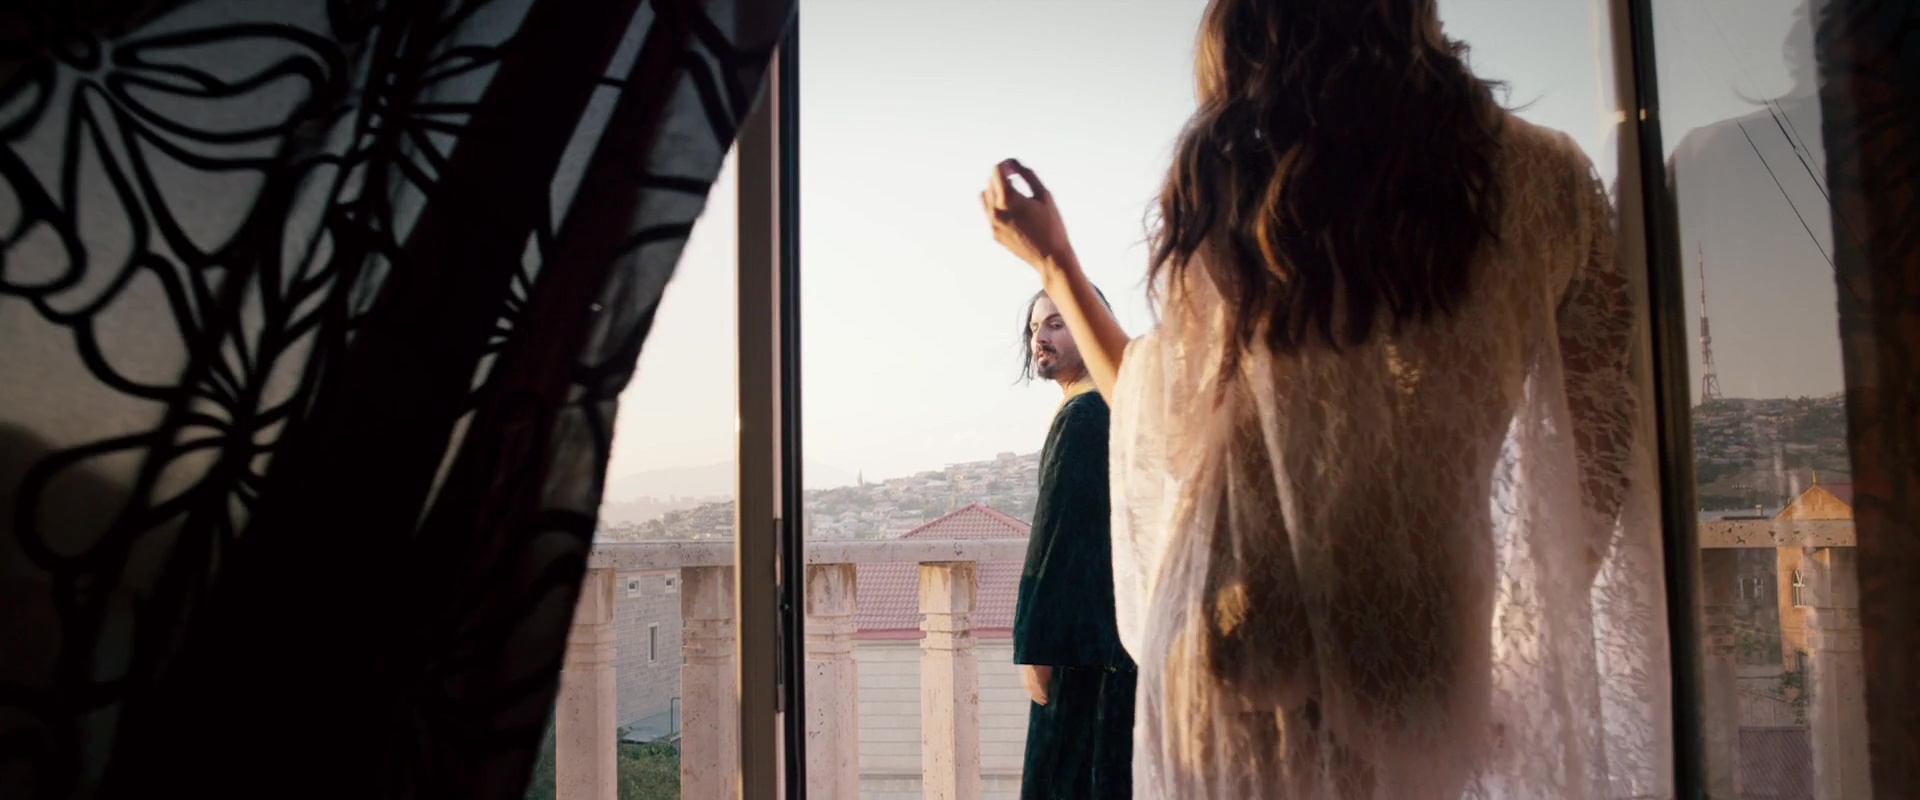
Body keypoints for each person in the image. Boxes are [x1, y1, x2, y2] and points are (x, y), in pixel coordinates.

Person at [978, 0, 1663, 797]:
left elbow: (1158, 422)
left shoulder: (1247, 174)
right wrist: (1521, 653)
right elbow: (1598, 456)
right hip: (1416, 650)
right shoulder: (1547, 180)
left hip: (1231, 633)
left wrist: (1055, 263)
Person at [1011, 288, 1138, 799]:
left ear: (1091, 327)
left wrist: (1037, 650)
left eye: (1056, 324)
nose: (1039, 337)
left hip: (1080, 659)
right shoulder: (1105, 408)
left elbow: (1059, 539)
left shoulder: (1085, 417)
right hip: (1106, 652)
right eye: (1034, 327)